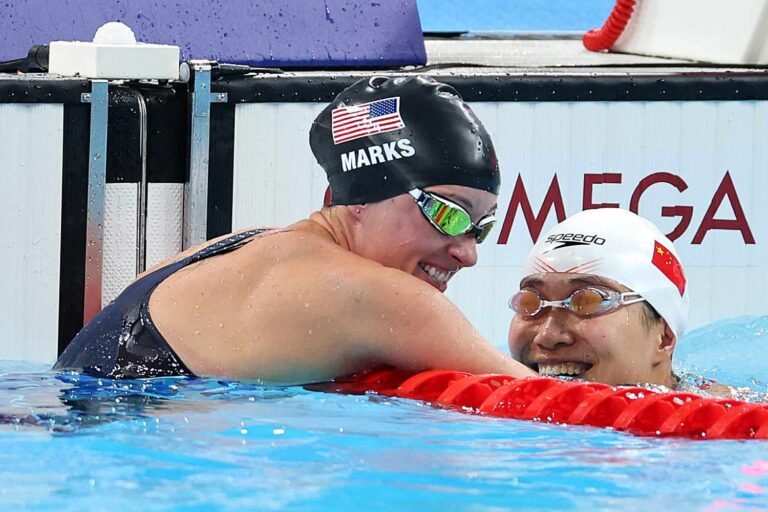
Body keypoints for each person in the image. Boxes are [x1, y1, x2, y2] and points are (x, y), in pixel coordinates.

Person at [55, 75, 535, 384]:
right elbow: (552, 405)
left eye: (481, 226)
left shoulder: (243, 246)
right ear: (360, 199)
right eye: (448, 214)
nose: (468, 253)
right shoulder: (382, 297)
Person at [507, 208, 688, 388]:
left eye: (588, 302)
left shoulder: (711, 413)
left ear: (664, 337)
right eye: (530, 304)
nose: (547, 336)